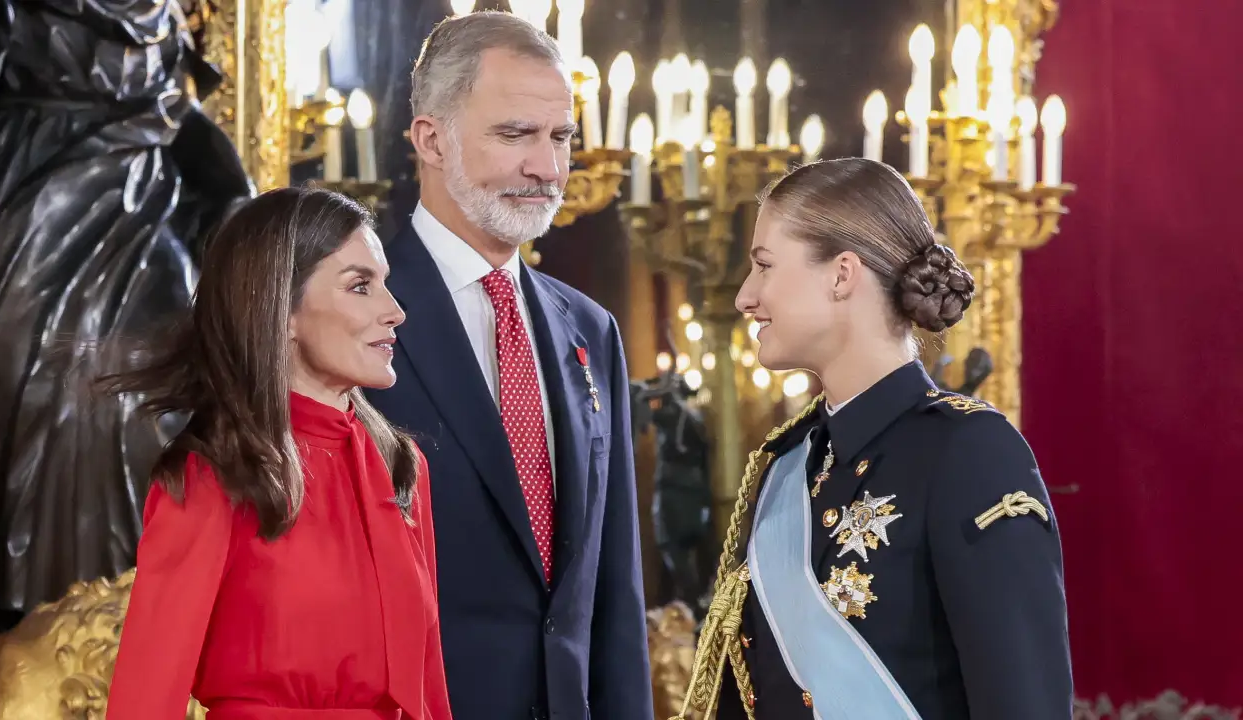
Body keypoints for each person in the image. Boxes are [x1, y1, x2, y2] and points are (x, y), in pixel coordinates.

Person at [673, 158, 1072, 720]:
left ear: (842, 274)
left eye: (764, 266)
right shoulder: (785, 461)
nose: (745, 296)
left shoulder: (969, 452)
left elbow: (1022, 703)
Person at [364, 11, 651, 720]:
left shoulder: (592, 329)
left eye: (560, 137)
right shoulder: (350, 315)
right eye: (516, 134)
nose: (548, 168)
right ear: (432, 139)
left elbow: (614, 591)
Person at [0, 0, 252, 652]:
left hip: (146, 194)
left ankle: (147, 615)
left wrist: (234, 201)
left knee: (176, 375)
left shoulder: (159, 15)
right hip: (27, 188)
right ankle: (35, 604)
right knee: (61, 368)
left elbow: (177, 112)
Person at [103, 188, 452, 720]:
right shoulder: (212, 473)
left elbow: (428, 688)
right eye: (361, 286)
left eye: (386, 285)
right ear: (281, 311)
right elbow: (148, 694)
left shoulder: (400, 465)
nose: (395, 312)